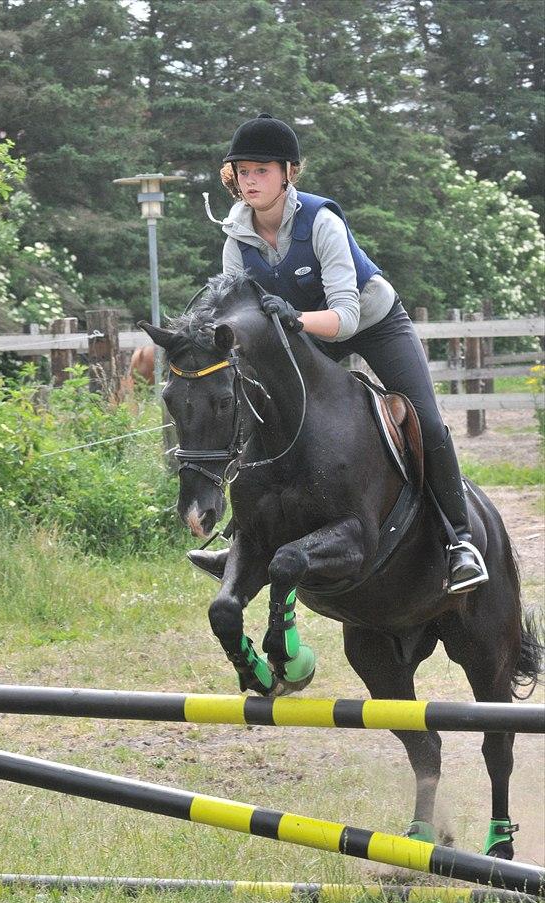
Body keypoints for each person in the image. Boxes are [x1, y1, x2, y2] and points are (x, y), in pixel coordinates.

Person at [190, 112, 487, 594]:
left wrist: (295, 320)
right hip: (304, 334)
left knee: (426, 422)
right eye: (243, 171)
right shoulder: (235, 238)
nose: (250, 180)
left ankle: (461, 543)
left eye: (262, 170)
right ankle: (245, 539)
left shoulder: (321, 220)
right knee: (262, 415)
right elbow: (238, 316)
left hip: (372, 324)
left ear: (288, 173)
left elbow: (345, 318)